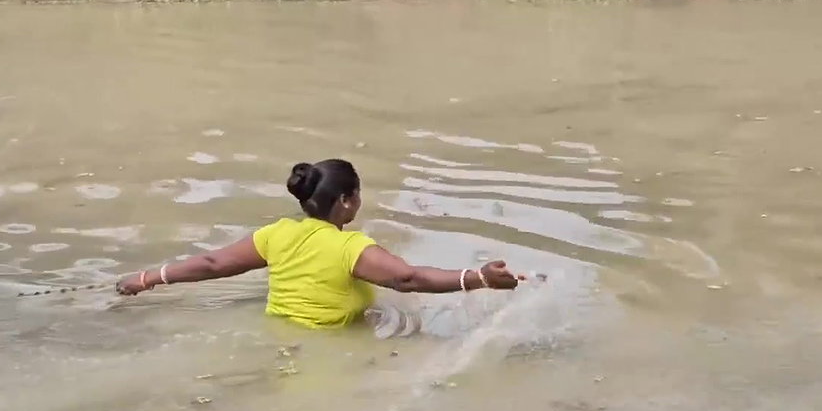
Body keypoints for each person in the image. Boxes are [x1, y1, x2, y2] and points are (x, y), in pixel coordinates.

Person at [116, 159, 523, 328]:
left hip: (278, 335)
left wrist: (147, 278)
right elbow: (407, 279)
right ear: (346, 200)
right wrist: (479, 277)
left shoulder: (276, 234)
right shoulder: (350, 248)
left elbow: (212, 264)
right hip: (331, 347)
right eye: (358, 193)